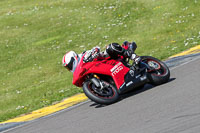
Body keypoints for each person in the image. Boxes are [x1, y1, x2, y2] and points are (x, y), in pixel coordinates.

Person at [62, 41, 139, 73]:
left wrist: (95, 52)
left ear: (74, 59)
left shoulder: (83, 55)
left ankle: (133, 56)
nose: (69, 68)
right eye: (67, 68)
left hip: (106, 59)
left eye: (69, 66)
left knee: (110, 47)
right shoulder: (80, 71)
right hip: (104, 70)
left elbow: (96, 48)